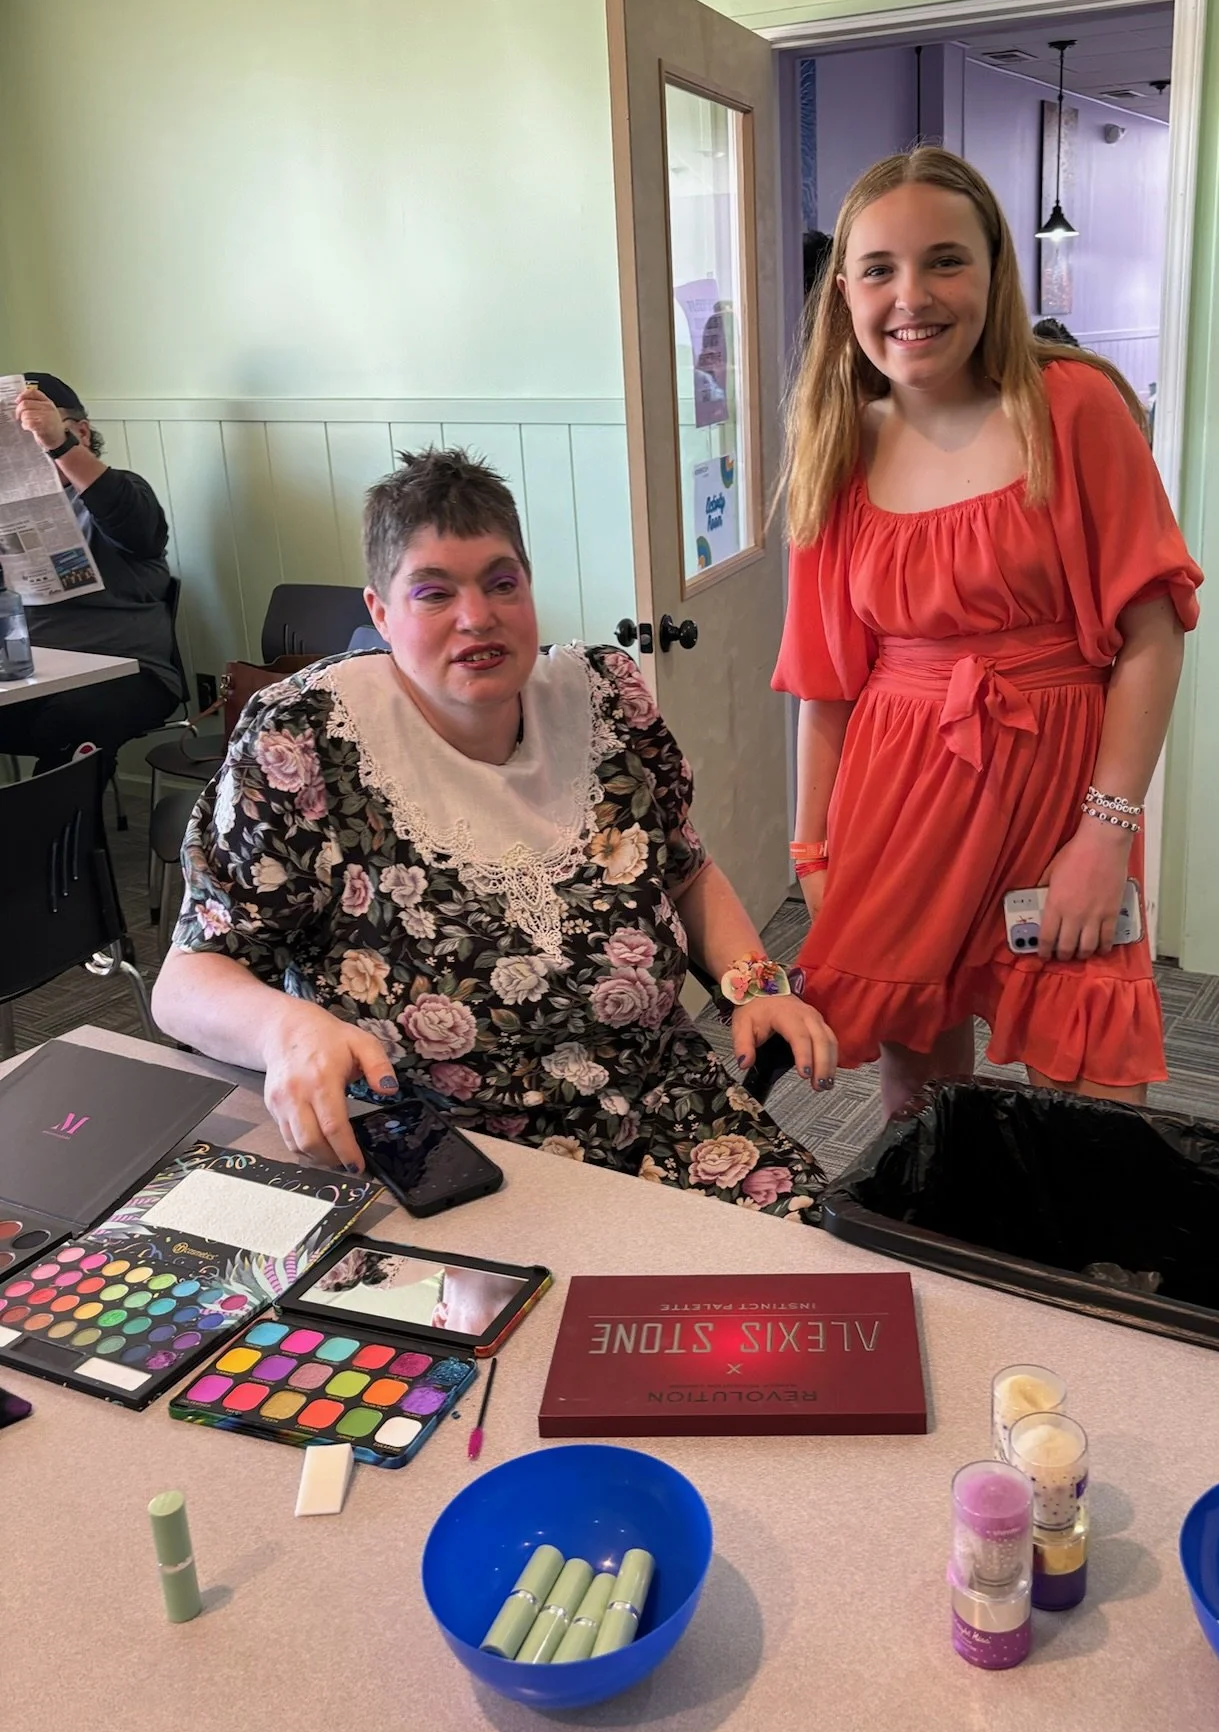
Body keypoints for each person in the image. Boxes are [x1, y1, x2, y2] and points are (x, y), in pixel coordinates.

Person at [152, 446, 832, 1220]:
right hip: (438, 1157)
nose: (477, 617)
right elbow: (184, 985)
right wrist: (287, 1029)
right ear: (379, 612)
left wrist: (753, 983)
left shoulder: (606, 699)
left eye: (501, 583)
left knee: (819, 1286)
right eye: (433, 593)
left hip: (662, 1110)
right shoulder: (305, 744)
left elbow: (685, 870)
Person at [773, 148, 1202, 1121]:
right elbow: (827, 684)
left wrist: (1108, 829)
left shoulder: (1075, 408)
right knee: (920, 1094)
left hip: (1063, 798)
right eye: (879, 268)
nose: (910, 296)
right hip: (900, 797)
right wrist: (813, 851)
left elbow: (1153, 631)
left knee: (1096, 1096)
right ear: (845, 290)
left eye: (945, 261)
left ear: (996, 271)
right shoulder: (838, 445)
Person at [0, 374, 180, 773]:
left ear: (80, 431)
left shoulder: (124, 491)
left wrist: (57, 445)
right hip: (27, 675)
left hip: (129, 671)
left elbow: (139, 530)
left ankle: (58, 837)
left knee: (69, 721)